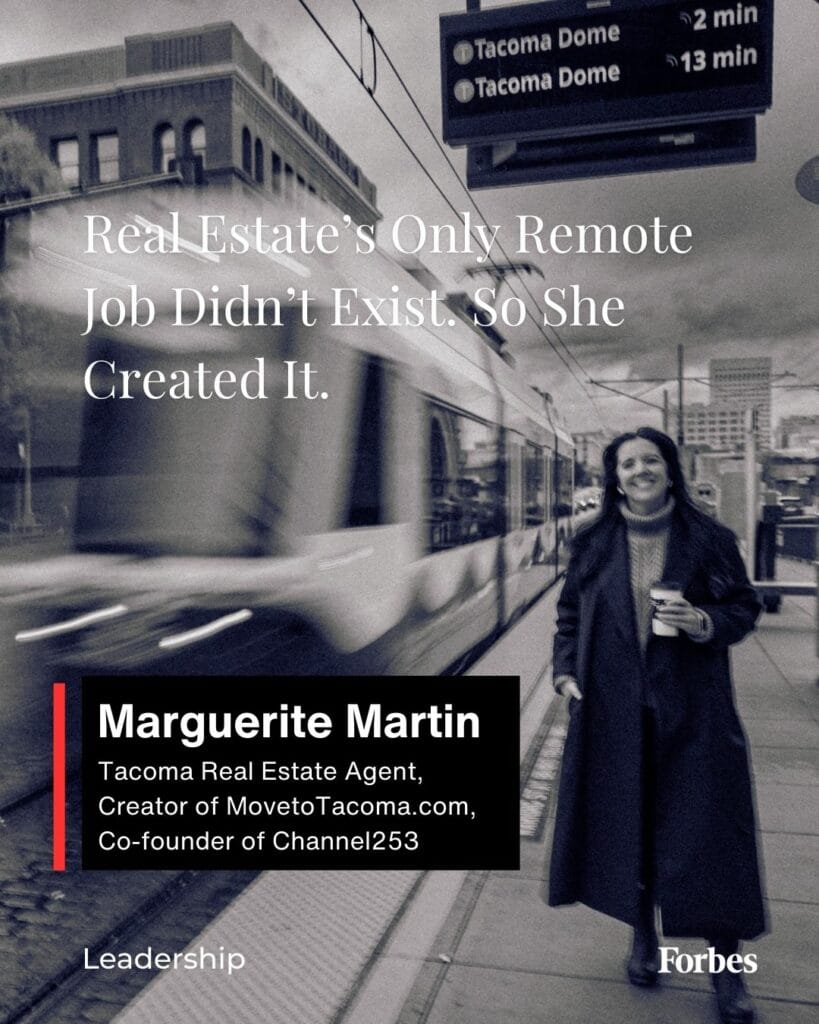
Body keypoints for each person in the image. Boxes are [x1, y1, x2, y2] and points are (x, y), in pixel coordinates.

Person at [548, 427, 766, 1024]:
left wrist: (702, 621)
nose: (639, 471)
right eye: (627, 464)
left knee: (712, 840)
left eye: (650, 461)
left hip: (695, 714)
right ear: (613, 476)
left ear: (669, 470)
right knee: (631, 831)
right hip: (616, 717)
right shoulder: (592, 543)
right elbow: (568, 616)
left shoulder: (709, 539)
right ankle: (643, 939)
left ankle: (728, 974)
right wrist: (564, 672)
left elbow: (743, 606)